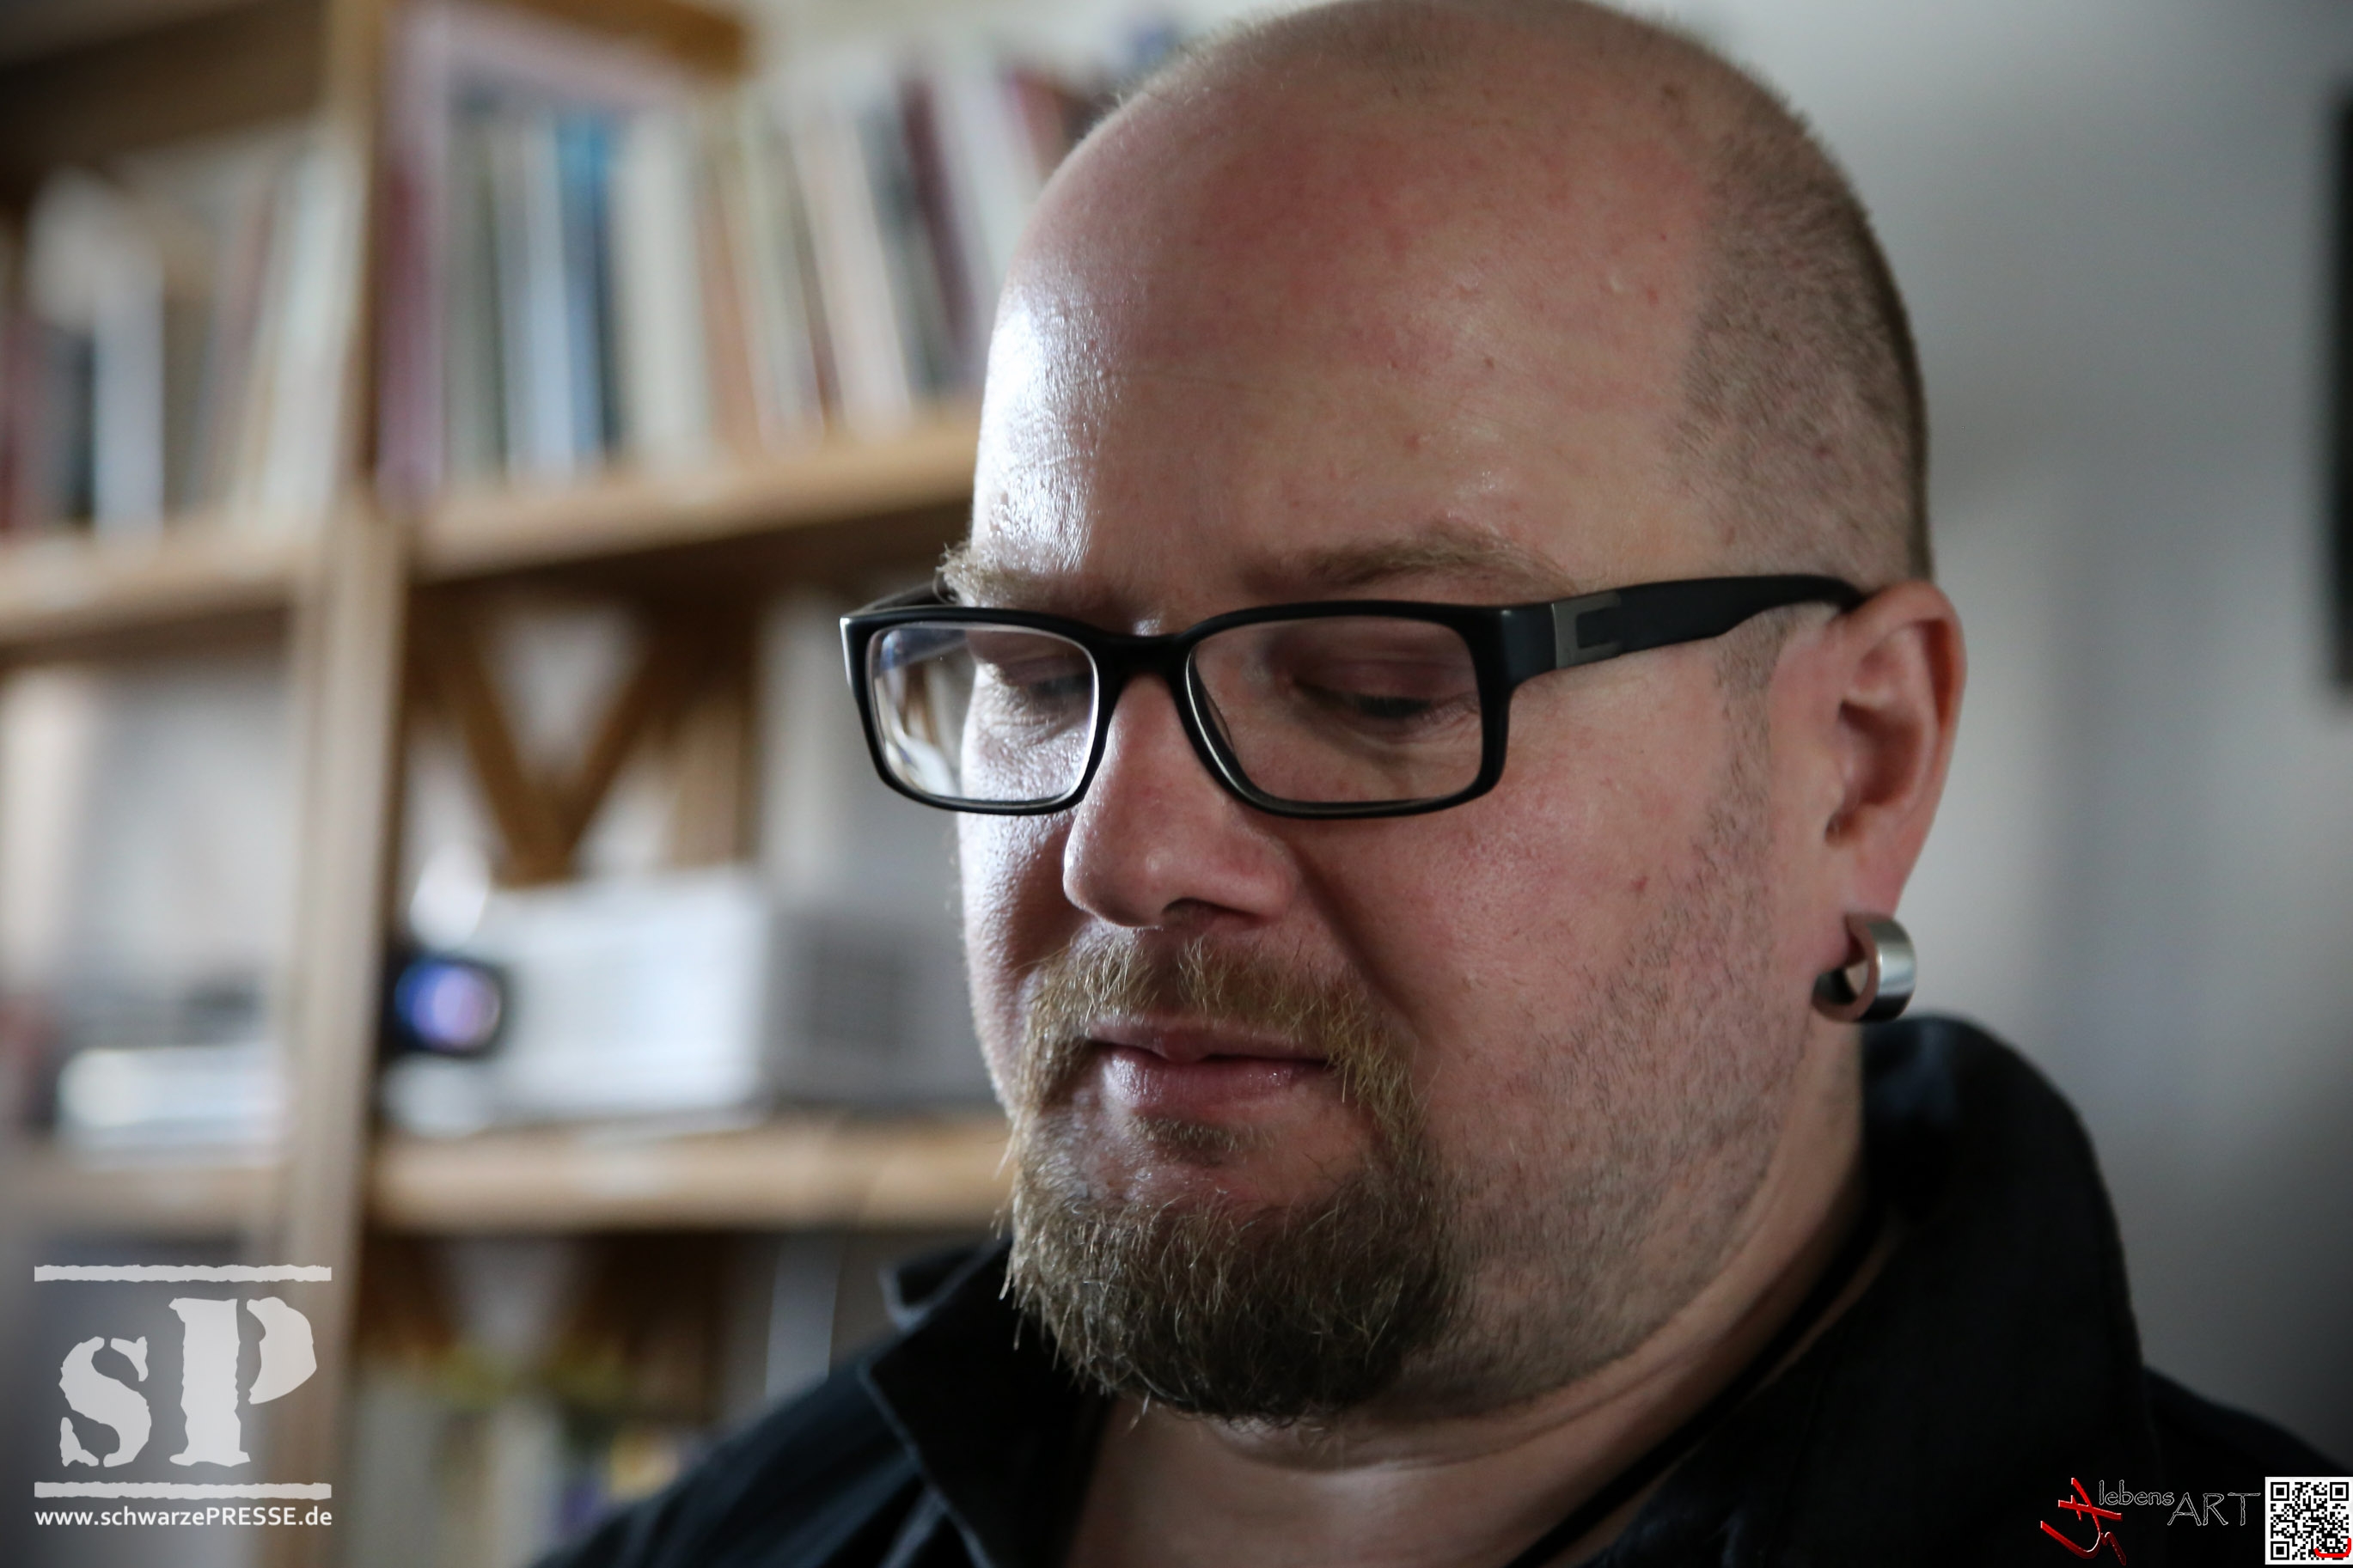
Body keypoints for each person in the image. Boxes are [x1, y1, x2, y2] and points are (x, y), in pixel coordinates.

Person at [547, 3, 2339, 1565]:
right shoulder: (734, 1526)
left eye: (1372, 684)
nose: (1120, 851)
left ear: (1855, 766)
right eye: (1034, 672)